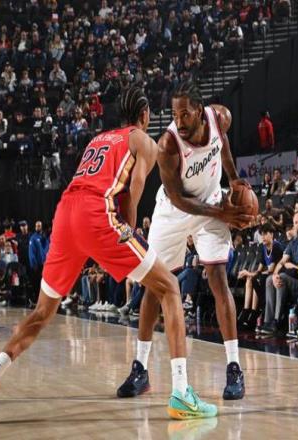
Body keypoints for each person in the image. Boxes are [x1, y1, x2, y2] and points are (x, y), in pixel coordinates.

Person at [0, 86, 220, 425]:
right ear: (145, 115)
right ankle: (182, 394)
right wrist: (130, 233)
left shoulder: (98, 139)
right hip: (96, 214)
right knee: (170, 287)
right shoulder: (143, 140)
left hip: (65, 214)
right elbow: (134, 191)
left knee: (42, 312)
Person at [118, 82, 253, 402]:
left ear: (200, 112)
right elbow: (179, 199)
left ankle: (234, 367)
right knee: (154, 286)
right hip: (174, 211)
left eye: (185, 114)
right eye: (174, 115)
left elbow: (223, 144)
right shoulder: (167, 145)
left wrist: (233, 178)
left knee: (218, 279)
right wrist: (221, 212)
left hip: (212, 202)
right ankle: (140, 368)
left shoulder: (220, 118)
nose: (178, 121)